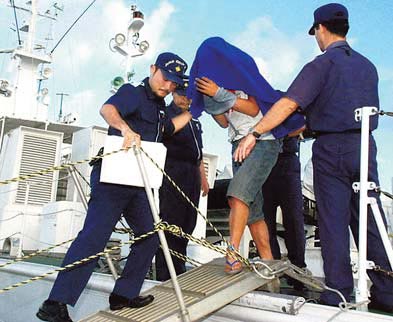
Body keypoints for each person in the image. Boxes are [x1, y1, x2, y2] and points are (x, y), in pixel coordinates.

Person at [234, 3, 393, 312]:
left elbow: (288, 105)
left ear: (321, 29)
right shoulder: (368, 67)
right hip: (364, 146)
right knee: (370, 217)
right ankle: (387, 292)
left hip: (331, 150)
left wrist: (254, 134)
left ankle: (338, 294)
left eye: (315, 32)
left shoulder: (320, 66)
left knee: (333, 221)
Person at [36, 52, 192, 322]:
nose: (168, 86)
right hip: (112, 176)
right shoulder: (133, 93)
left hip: (138, 181)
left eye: (174, 84)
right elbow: (107, 109)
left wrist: (193, 112)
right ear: (153, 69)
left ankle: (123, 294)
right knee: (95, 236)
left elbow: (168, 128)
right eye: (165, 78)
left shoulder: (160, 108)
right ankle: (55, 303)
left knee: (150, 234)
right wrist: (124, 129)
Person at [187, 37, 304, 275]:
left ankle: (232, 252)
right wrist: (211, 100)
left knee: (237, 195)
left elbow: (252, 108)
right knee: (254, 210)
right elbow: (222, 122)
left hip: (262, 142)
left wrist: (220, 92)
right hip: (237, 144)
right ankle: (268, 264)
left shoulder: (243, 82)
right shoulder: (219, 87)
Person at [155, 78, 209, 281]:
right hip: (173, 170)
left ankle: (179, 268)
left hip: (191, 174)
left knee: (188, 222)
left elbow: (199, 152)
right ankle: (166, 274)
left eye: (190, 95)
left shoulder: (194, 121)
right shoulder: (167, 115)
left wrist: (202, 177)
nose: (187, 98)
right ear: (174, 93)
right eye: (183, 94)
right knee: (171, 223)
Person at [262, 136, 307, 290]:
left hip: (288, 160)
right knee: (265, 221)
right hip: (262, 160)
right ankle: (272, 268)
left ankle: (298, 269)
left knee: (294, 219)